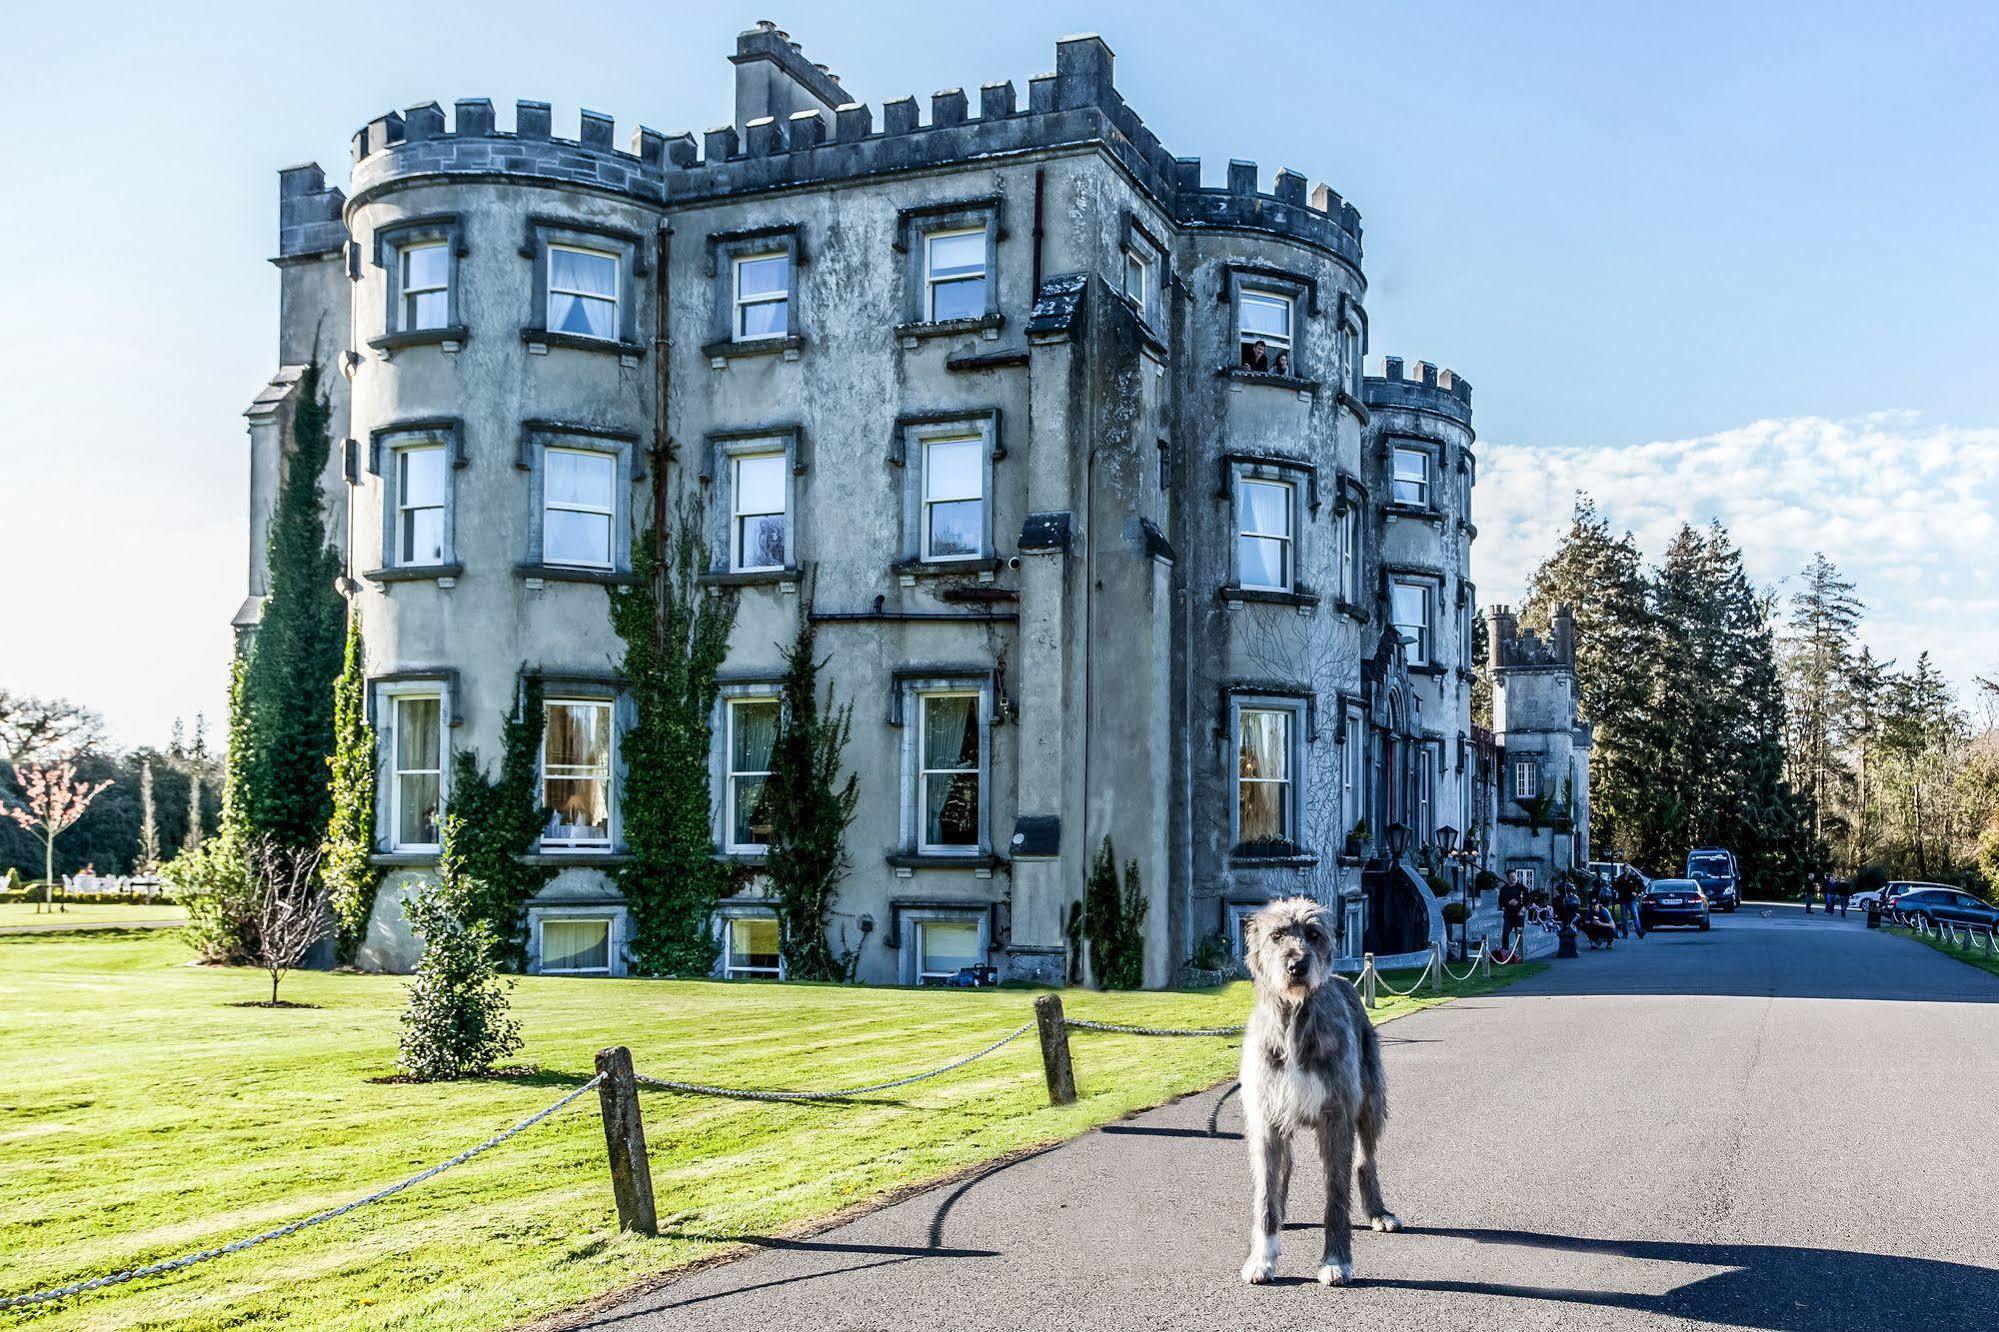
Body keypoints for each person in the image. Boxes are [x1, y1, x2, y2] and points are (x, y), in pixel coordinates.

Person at [1500, 874, 1526, 955]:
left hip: (1519, 914)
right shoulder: (1504, 889)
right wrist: (1508, 903)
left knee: (1519, 933)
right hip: (1508, 914)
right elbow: (1500, 902)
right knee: (1505, 931)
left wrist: (1523, 909)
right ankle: (1505, 951)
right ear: (1508, 878)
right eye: (1511, 877)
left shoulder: (1521, 887)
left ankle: (1519, 953)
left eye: (1515, 876)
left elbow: (1528, 899)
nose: (1514, 878)